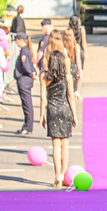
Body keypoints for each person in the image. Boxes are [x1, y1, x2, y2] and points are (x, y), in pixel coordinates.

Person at [40, 50, 77, 187]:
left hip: (52, 110)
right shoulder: (67, 76)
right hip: (64, 109)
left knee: (55, 144)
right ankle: (64, 172)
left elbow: (43, 98)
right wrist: (75, 116)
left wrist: (42, 115)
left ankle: (57, 176)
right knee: (65, 144)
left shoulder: (44, 77)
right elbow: (71, 97)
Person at [14, 32, 36, 135]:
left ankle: (28, 126)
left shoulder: (24, 51)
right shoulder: (26, 50)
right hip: (26, 79)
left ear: (21, 40)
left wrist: (31, 74)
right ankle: (27, 125)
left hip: (24, 79)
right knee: (27, 103)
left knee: (27, 104)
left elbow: (26, 66)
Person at [62, 29, 83, 99]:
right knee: (72, 92)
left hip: (65, 69)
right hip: (73, 68)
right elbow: (78, 61)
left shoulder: (62, 47)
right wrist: (79, 71)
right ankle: (76, 92)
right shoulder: (76, 46)